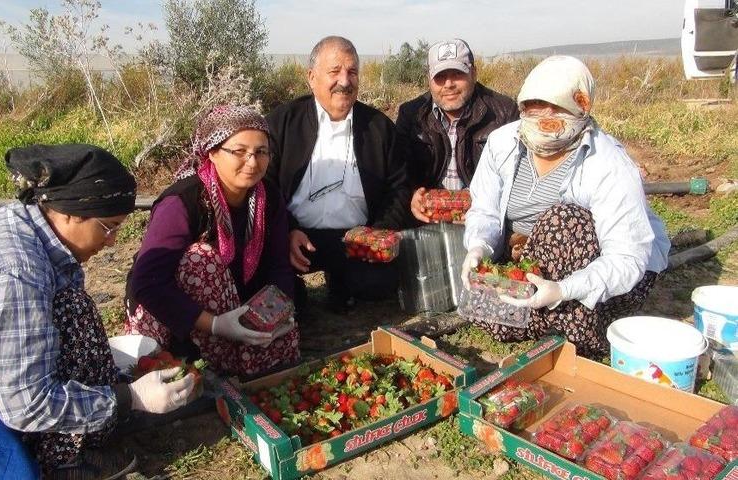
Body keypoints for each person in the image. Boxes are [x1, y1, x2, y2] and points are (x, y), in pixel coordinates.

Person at [0, 144, 198, 479]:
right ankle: (61, 461)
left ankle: (72, 439)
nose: (113, 241)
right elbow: (24, 403)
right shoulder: (16, 272)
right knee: (63, 318)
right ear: (70, 212)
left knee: (68, 308)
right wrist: (127, 398)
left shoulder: (26, 225)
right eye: (109, 226)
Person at [461, 56, 671, 359]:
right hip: (534, 259)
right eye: (535, 106)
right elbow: (485, 209)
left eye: (558, 107)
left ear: (581, 109)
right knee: (484, 311)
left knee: (564, 218)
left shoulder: (608, 162)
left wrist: (564, 289)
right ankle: (548, 315)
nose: (546, 117)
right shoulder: (501, 143)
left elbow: (627, 257)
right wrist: (478, 248)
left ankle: (574, 319)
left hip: (603, 272)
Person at [125, 105, 299, 378]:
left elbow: (278, 266)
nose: (252, 162)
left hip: (236, 304)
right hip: (176, 309)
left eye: (261, 152)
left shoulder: (269, 199)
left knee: (277, 350)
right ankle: (197, 351)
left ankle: (233, 353)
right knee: (200, 258)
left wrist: (277, 311)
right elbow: (147, 282)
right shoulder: (183, 201)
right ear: (213, 153)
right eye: (239, 151)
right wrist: (216, 325)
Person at [265, 35, 410, 312]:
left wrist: (375, 234)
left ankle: (342, 279)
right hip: (297, 236)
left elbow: (399, 188)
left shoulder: (379, 127)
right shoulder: (282, 122)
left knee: (379, 285)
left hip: (356, 239)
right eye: (334, 71)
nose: (344, 81)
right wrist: (286, 230)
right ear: (311, 77)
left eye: (352, 72)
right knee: (286, 301)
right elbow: (264, 185)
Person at [396, 39, 518, 224]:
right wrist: (412, 195)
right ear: (429, 79)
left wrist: (481, 204)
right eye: (440, 76)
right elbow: (398, 170)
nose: (448, 84)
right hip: (428, 219)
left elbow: (516, 176)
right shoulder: (411, 113)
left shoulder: (504, 112)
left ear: (474, 73)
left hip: (484, 218)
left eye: (457, 74)